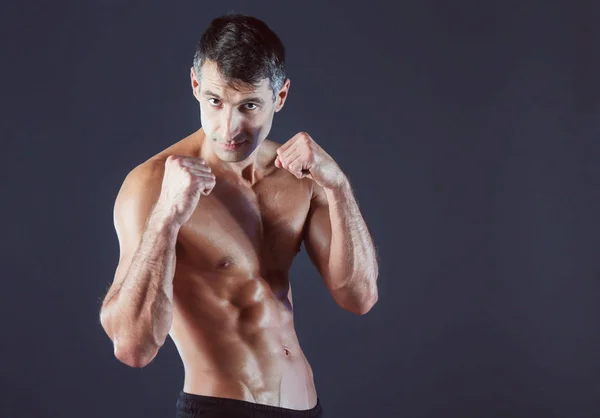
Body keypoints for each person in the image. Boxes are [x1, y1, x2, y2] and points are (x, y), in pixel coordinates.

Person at [99, 13, 379, 418]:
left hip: (308, 408)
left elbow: (359, 297)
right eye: (215, 101)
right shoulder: (152, 185)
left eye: (249, 106)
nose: (228, 127)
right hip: (220, 408)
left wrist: (338, 187)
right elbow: (131, 347)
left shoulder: (300, 177)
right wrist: (166, 217)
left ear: (279, 97)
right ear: (195, 86)